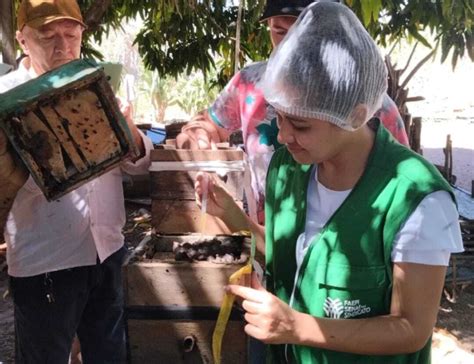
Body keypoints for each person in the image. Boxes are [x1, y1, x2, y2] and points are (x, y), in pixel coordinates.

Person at [196, 2, 464, 363]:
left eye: (302, 125)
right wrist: (234, 218)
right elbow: (287, 254)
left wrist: (295, 327)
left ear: (355, 114)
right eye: (280, 117)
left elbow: (411, 328)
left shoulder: (414, 197)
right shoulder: (286, 171)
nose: (284, 135)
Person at [0, 1, 153, 363]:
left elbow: (139, 168)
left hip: (107, 252)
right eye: (47, 36)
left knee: (109, 355)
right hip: (45, 263)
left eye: (71, 35)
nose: (62, 46)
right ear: (22, 40)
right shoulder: (6, 98)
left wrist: (129, 133)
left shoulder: (101, 84)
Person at [179, 0, 409, 225]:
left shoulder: (372, 105)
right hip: (271, 239)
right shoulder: (250, 83)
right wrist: (197, 131)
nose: (292, 46)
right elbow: (210, 124)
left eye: (301, 124)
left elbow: (401, 184)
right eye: (280, 31)